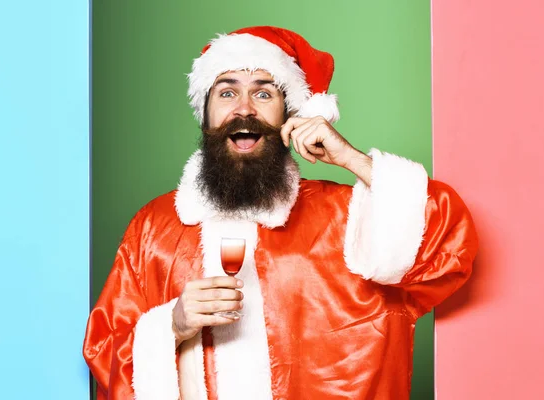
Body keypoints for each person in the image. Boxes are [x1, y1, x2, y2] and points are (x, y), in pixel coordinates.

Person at [83, 25, 478, 400]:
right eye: (226, 93)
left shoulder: (347, 216)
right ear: (204, 117)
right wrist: (173, 325)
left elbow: (447, 248)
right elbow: (105, 349)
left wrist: (352, 159)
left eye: (264, 93)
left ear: (290, 116)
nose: (244, 109)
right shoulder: (155, 228)